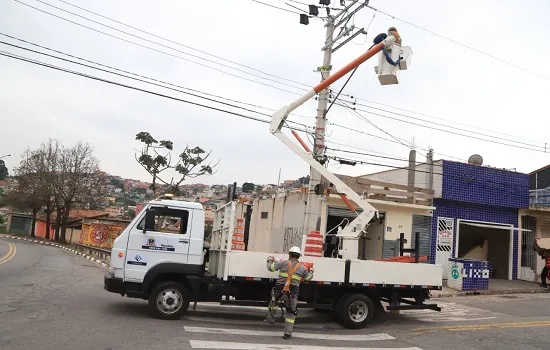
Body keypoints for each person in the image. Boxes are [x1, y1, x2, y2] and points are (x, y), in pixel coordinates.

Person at [265, 246, 314, 339]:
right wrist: (311, 271)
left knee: (273, 303)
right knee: (291, 312)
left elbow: (271, 268)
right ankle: (287, 333)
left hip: (279, 292)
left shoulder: (283, 263)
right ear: (299, 256)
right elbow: (308, 278)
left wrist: (270, 260)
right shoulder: (302, 267)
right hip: (292, 295)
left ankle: (271, 318)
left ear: (289, 254)